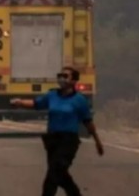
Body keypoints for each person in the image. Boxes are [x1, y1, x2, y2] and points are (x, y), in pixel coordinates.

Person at [11, 67, 105, 196]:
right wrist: (20, 102)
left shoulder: (79, 100)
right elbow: (36, 104)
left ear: (74, 81)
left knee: (55, 171)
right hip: (53, 140)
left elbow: (88, 122)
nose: (61, 78)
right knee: (59, 173)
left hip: (68, 141)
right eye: (60, 75)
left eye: (65, 76)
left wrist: (97, 141)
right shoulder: (52, 95)